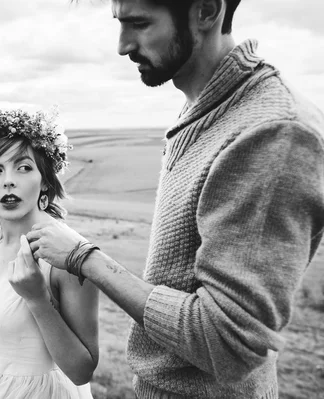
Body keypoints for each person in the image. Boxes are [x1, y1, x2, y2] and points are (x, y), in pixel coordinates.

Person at [26, 0, 324, 397]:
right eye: (120, 23)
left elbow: (228, 343)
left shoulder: (273, 133)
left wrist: (85, 257)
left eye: (140, 23)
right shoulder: (208, 107)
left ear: (206, 11)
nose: (122, 45)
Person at [0, 105, 99, 399]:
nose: (8, 180)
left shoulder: (67, 254)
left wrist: (37, 299)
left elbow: (82, 370)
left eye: (24, 167)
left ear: (44, 182)